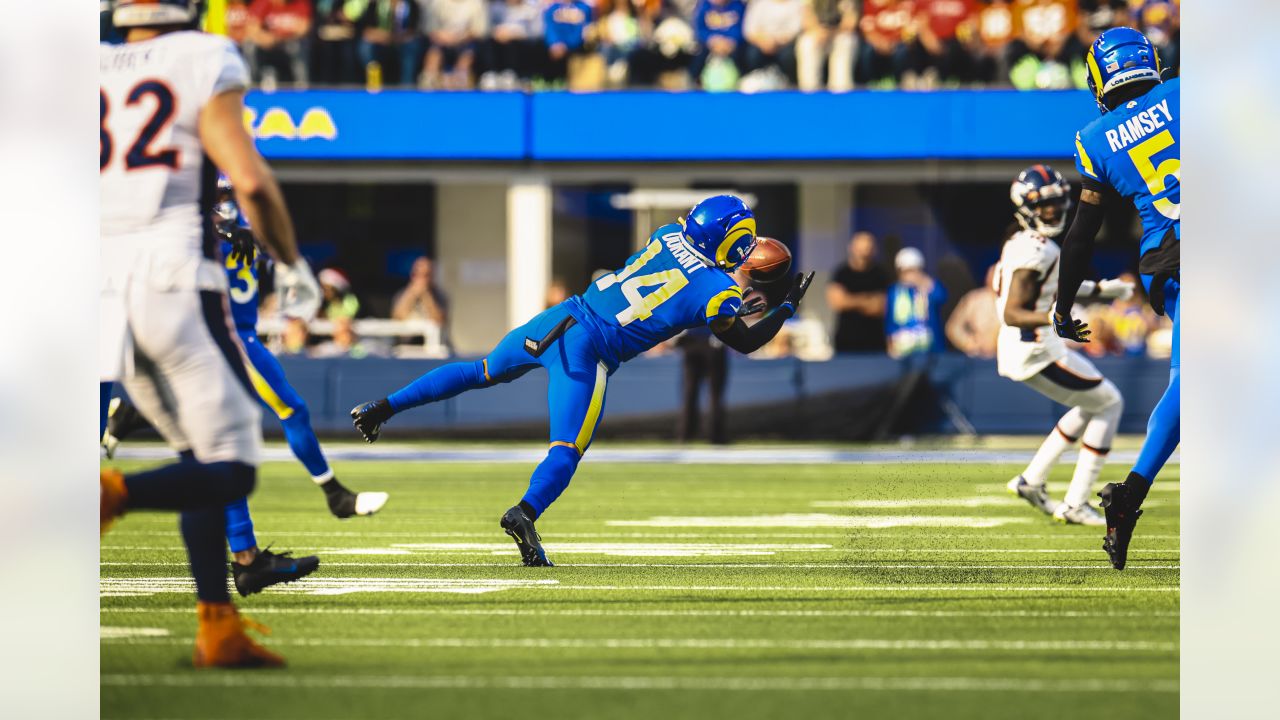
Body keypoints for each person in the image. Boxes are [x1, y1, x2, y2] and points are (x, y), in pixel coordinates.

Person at [350, 196, 813, 566]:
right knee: (566, 449)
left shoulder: (667, 233)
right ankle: (525, 512)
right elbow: (745, 342)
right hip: (588, 350)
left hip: (561, 316)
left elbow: (681, 277)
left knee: (479, 371)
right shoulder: (719, 292)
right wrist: (784, 308)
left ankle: (381, 408)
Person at [100, 0, 324, 667]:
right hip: (173, 279)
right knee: (233, 467)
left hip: (102, 289)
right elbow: (248, 180)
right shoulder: (202, 56)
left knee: (202, 459)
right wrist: (291, 261)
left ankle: (217, 626)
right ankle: (106, 494)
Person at [1052, 27, 1179, 570]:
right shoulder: (1184, 94)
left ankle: (1127, 497)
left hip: (1168, 263)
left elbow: (1081, 236)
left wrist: (1062, 307)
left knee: (1187, 387)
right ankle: (1129, 494)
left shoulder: (1094, 139)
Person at [996, 165, 1134, 525]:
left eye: (1057, 203)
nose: (1053, 212)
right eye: (1045, 206)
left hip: (1029, 349)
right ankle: (1075, 502)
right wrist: (1056, 319)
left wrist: (1100, 290)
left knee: (1092, 404)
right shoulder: (1037, 250)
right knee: (1110, 403)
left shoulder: (1023, 242)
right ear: (1026, 206)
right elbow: (1013, 312)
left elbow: (1051, 287)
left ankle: (1032, 480)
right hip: (1037, 350)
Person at [826, 231, 890, 353]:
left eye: (868, 248)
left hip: (874, 342)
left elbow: (880, 307)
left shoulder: (881, 275)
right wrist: (867, 299)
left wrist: (850, 299)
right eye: (861, 249)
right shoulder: (841, 273)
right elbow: (838, 303)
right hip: (846, 342)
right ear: (852, 248)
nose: (864, 253)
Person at [884, 247, 946, 360]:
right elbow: (890, 322)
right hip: (902, 353)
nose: (909, 275)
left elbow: (941, 297)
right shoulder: (894, 291)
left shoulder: (929, 286)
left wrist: (924, 283)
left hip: (930, 351)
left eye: (913, 270)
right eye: (905, 271)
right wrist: (890, 345)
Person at [244, 0, 313, 87]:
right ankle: (252, 83)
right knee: (249, 45)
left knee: (298, 46)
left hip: (288, 42)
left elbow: (303, 29)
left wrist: (277, 38)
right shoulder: (262, 3)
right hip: (266, 44)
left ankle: (302, 85)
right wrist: (263, 38)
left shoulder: (299, 3)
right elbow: (251, 29)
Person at [795, 0, 857, 92]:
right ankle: (809, 91)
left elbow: (850, 22)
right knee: (806, 42)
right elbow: (806, 19)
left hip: (839, 34)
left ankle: (841, 91)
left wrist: (831, 33)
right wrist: (818, 31)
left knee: (845, 40)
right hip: (817, 34)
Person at [742, 0, 804, 84]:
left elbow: (796, 29)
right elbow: (749, 30)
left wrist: (776, 41)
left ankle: (789, 82)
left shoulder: (796, 4)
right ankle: (756, 81)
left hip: (785, 43)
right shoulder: (759, 4)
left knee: (788, 55)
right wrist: (764, 41)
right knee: (752, 53)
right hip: (762, 42)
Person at [945, 265, 999, 358]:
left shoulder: (1013, 300)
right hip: (979, 358)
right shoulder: (974, 299)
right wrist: (968, 343)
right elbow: (953, 327)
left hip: (1004, 357)